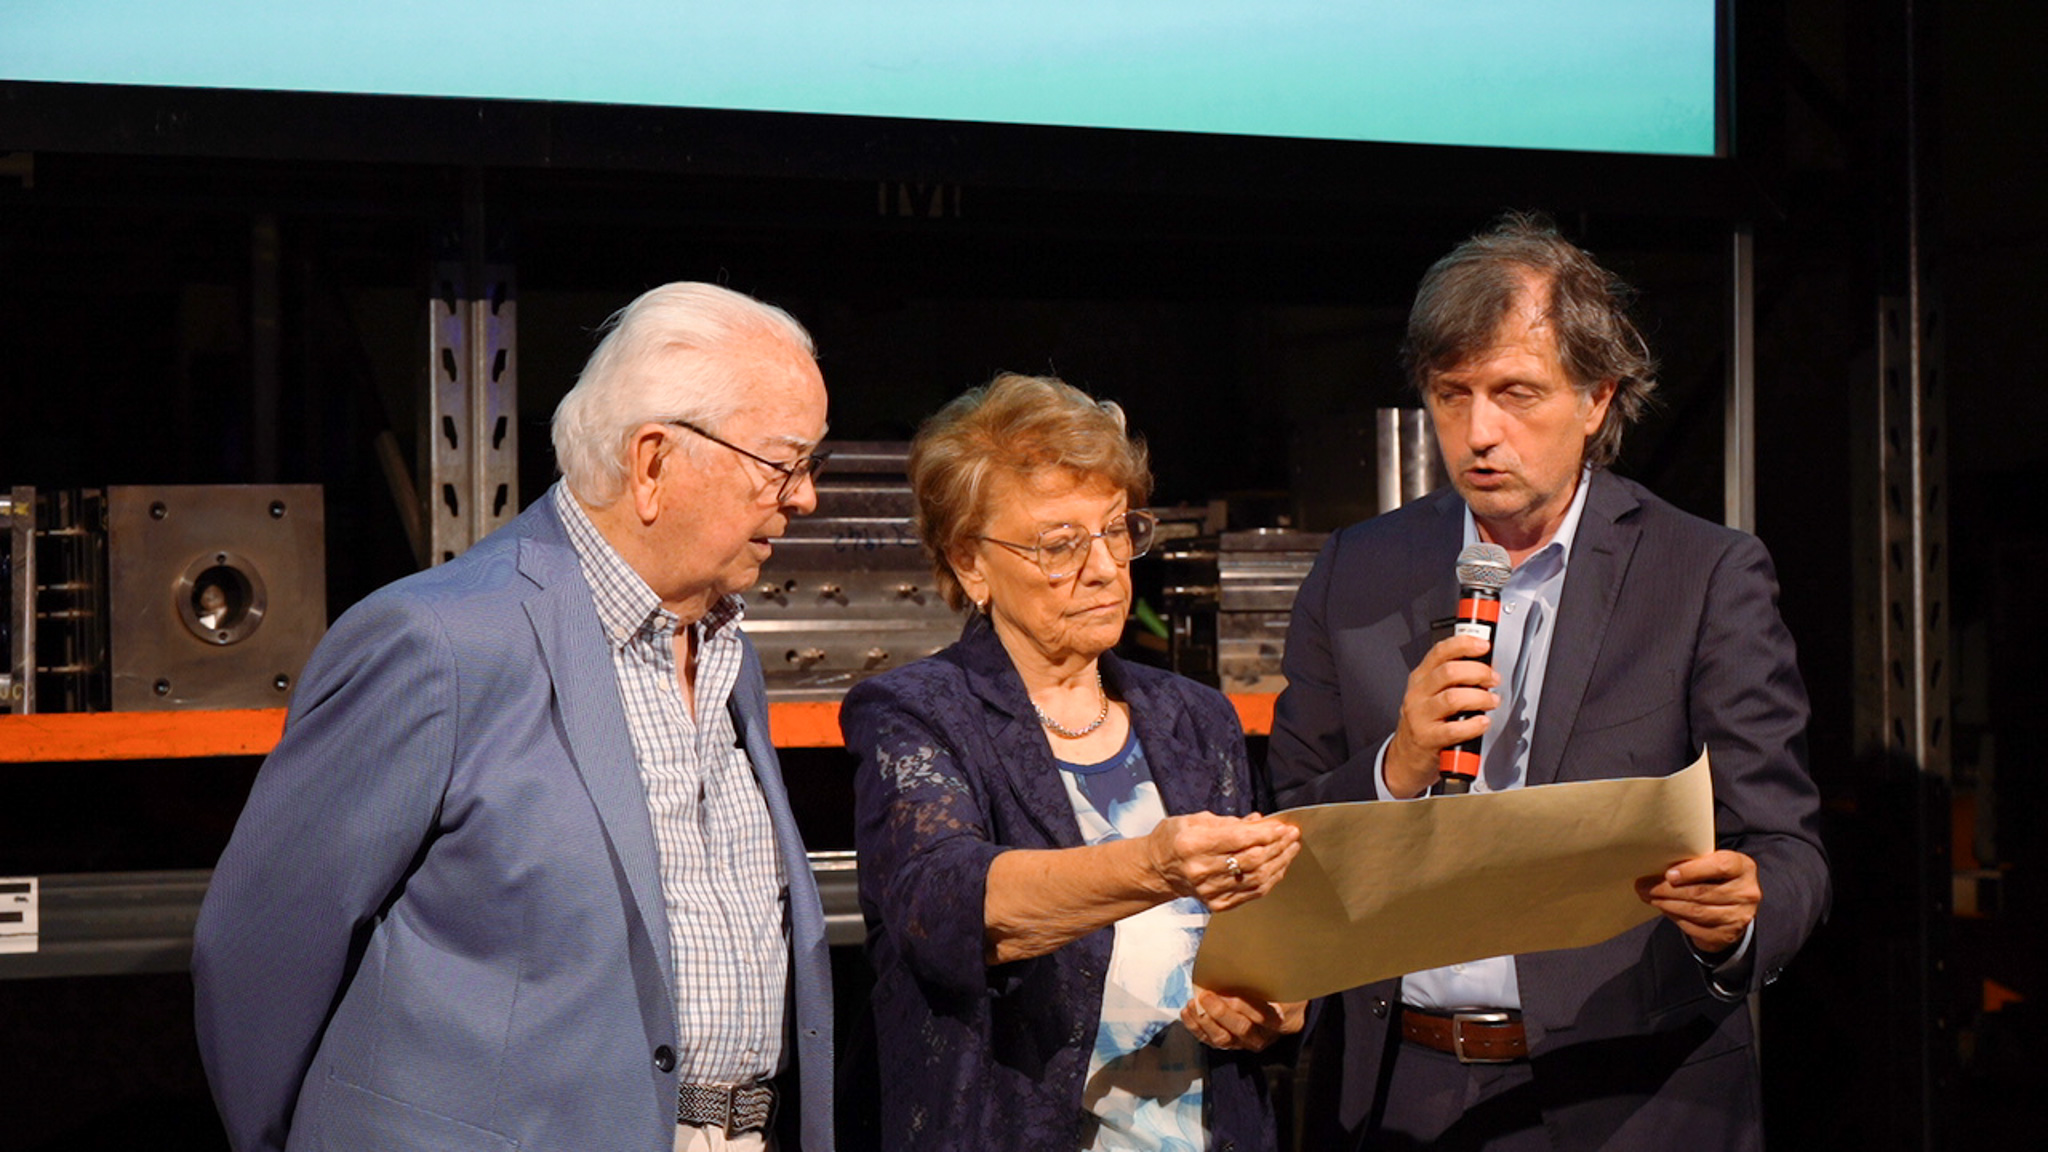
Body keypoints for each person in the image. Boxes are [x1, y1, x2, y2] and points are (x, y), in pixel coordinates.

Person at [193, 282, 837, 1152]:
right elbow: (258, 949)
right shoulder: (439, 643)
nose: (804, 500)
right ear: (653, 462)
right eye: (784, 463)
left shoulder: (725, 649)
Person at [1269, 214, 1829, 1151]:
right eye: (1453, 395)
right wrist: (1396, 768)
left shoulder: (1702, 575)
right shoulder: (1356, 572)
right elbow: (1282, 826)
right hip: (1394, 1090)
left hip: (1627, 1093)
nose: (1480, 433)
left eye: (1516, 393)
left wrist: (1741, 915)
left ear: (1598, 399)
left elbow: (1787, 845)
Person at [840, 373, 1306, 1151]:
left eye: (1117, 530)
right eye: (1060, 543)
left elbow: (1264, 953)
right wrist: (1153, 865)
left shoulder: (1196, 721)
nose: (1104, 567)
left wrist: (1271, 1008)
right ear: (970, 564)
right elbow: (948, 901)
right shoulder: (918, 713)